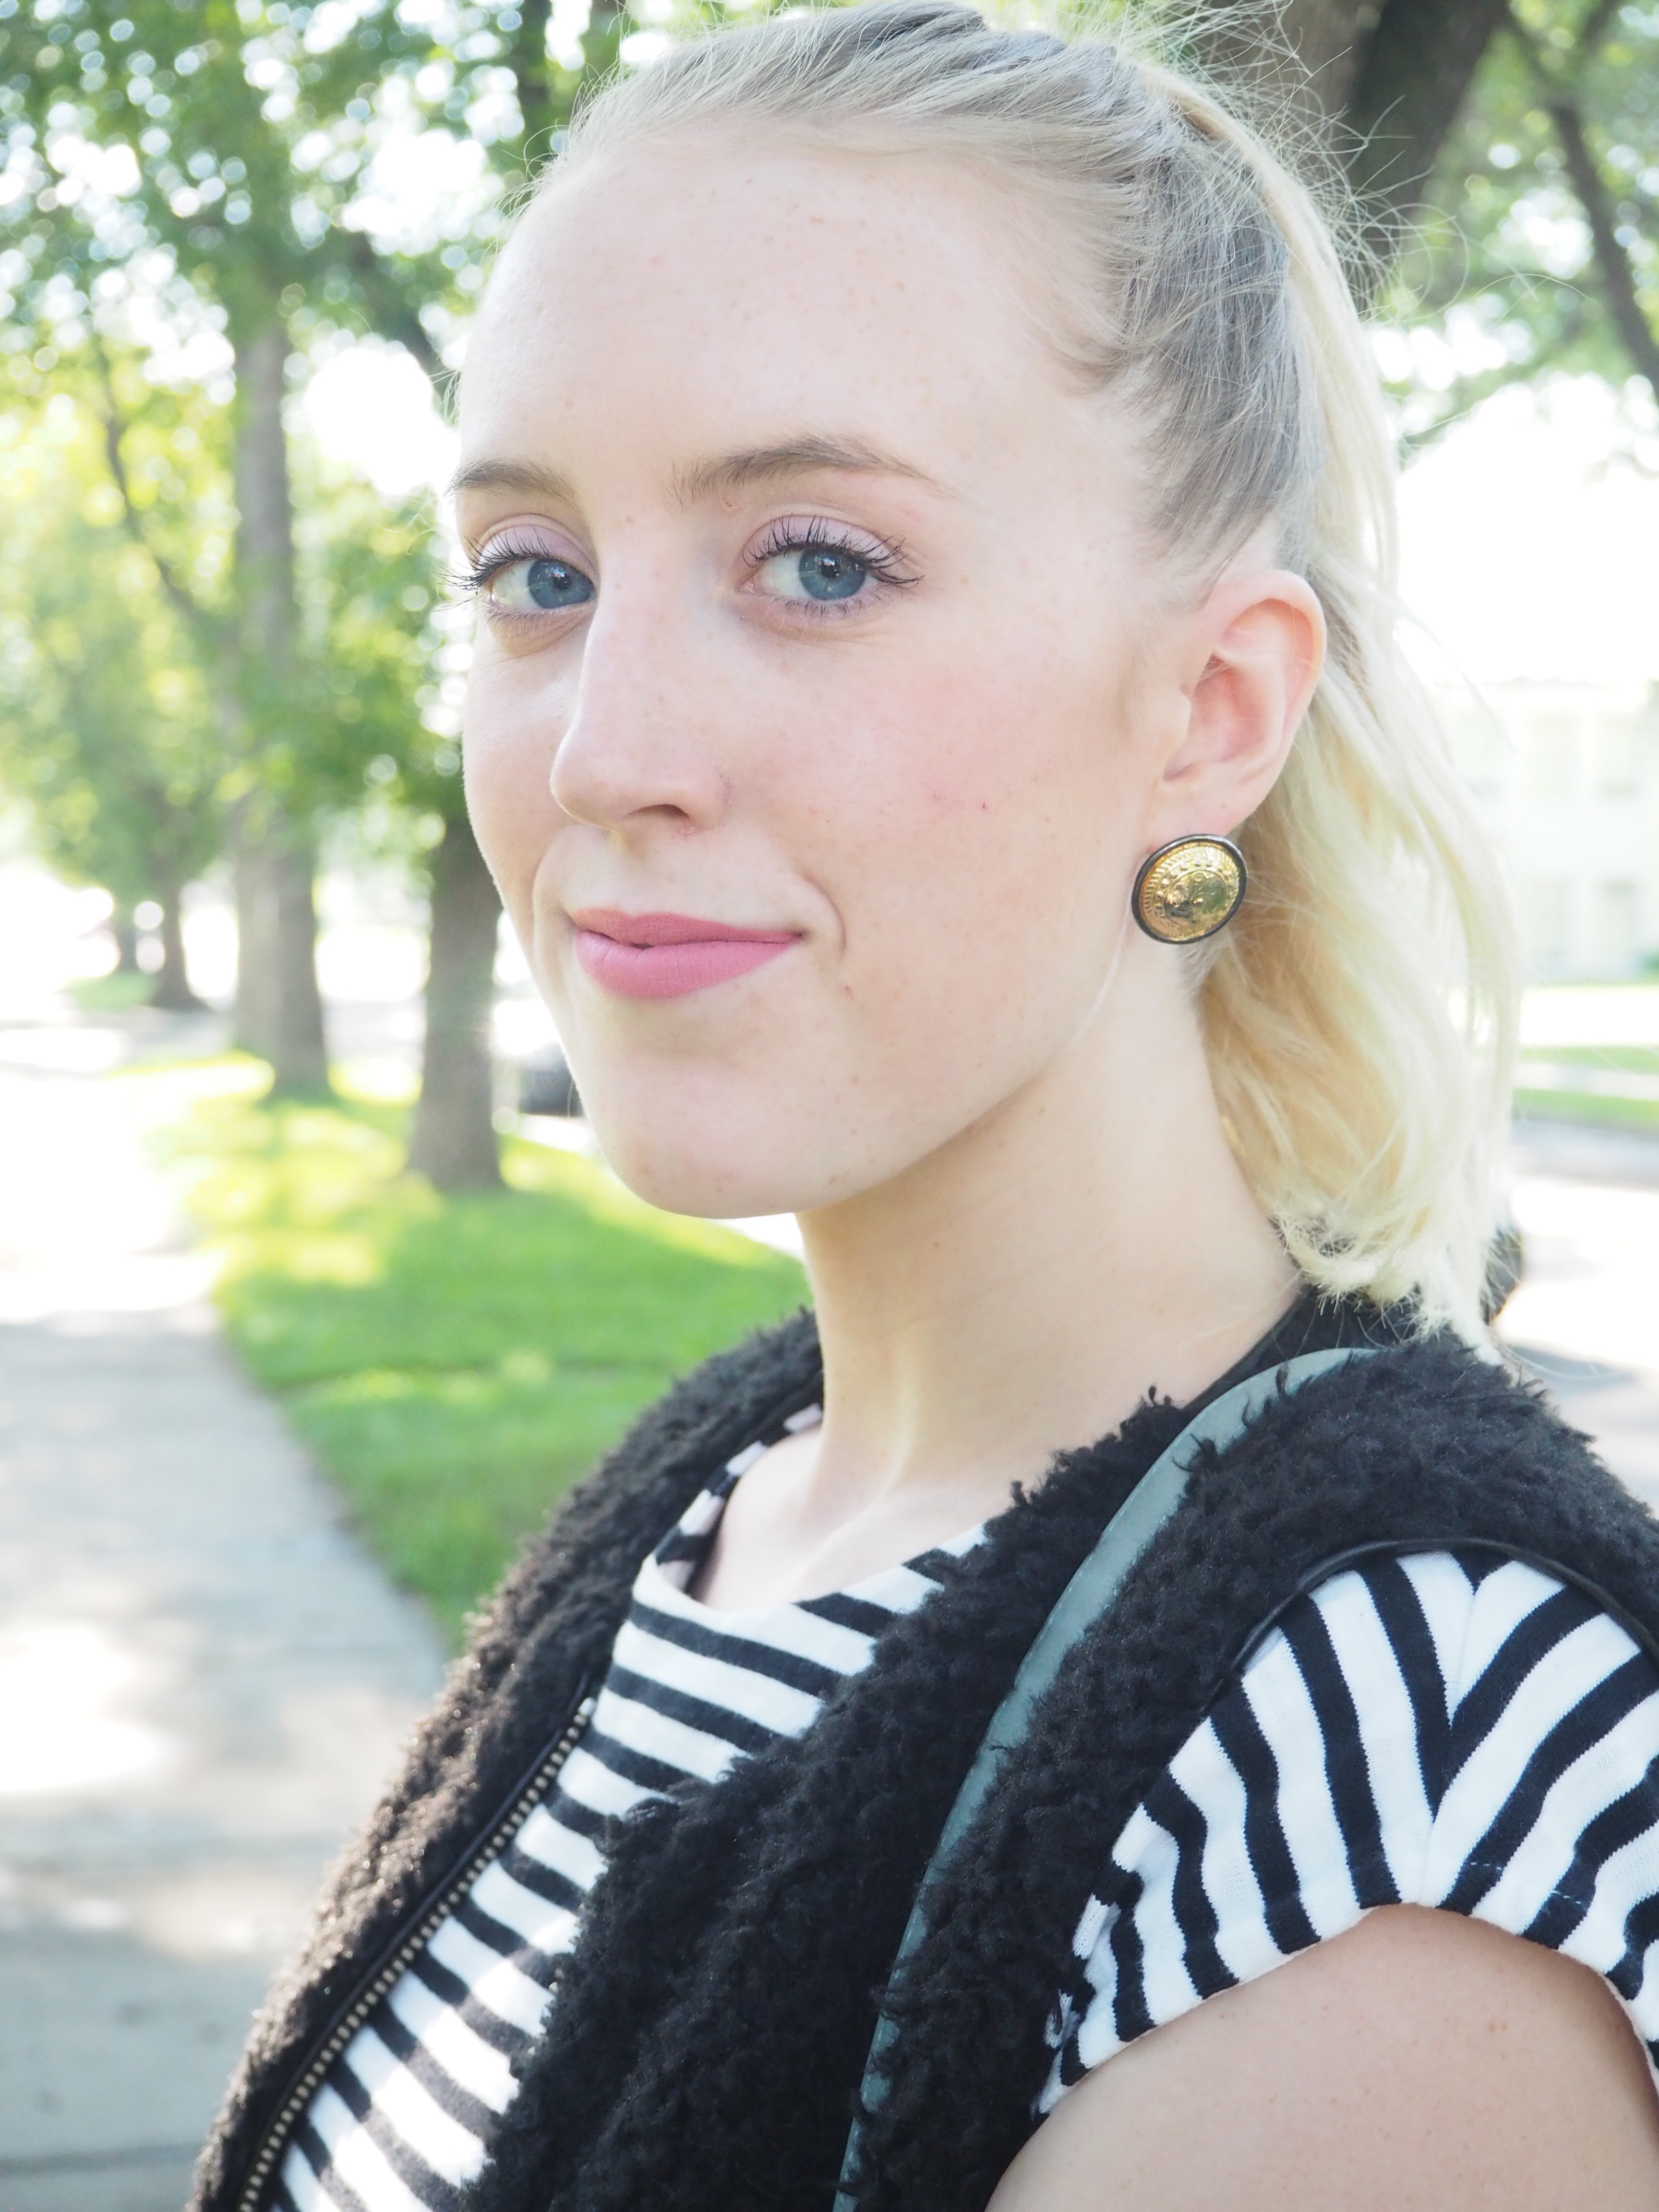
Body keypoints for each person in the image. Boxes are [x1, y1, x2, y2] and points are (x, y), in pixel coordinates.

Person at [193, 8, 1659, 2208]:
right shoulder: (723, 1491)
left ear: (1211, 709)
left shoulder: (1385, 1783)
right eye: (538, 578)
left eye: (819, 566)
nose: (605, 750)